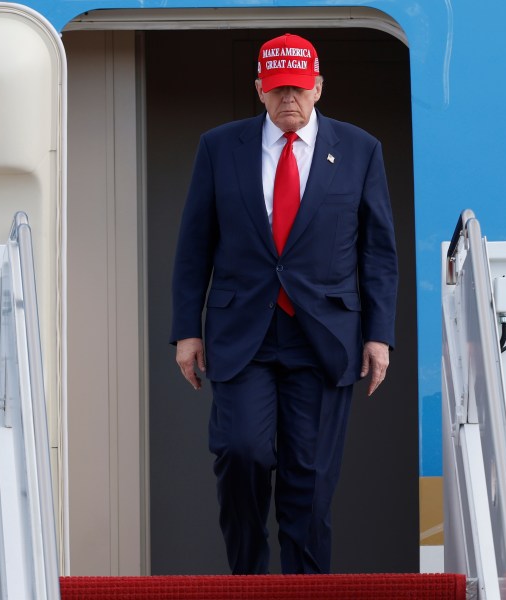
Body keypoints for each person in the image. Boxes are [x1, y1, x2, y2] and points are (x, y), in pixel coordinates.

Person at [170, 32, 398, 575]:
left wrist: (379, 334)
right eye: (276, 90)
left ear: (318, 87)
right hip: (242, 331)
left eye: (297, 87)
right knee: (243, 453)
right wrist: (187, 329)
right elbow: (194, 243)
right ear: (259, 90)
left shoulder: (361, 149)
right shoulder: (220, 147)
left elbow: (378, 253)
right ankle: (249, 578)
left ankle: (305, 588)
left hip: (325, 335)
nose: (287, 99)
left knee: (310, 479)